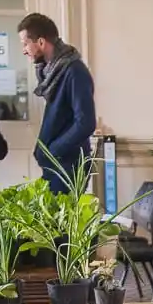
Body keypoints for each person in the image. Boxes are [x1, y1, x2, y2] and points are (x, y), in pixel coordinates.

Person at [17, 13, 96, 191]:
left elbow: (86, 123)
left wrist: (52, 151)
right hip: (57, 164)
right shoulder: (53, 73)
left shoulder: (74, 71)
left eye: (25, 44)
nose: (24, 50)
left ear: (41, 43)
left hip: (68, 165)